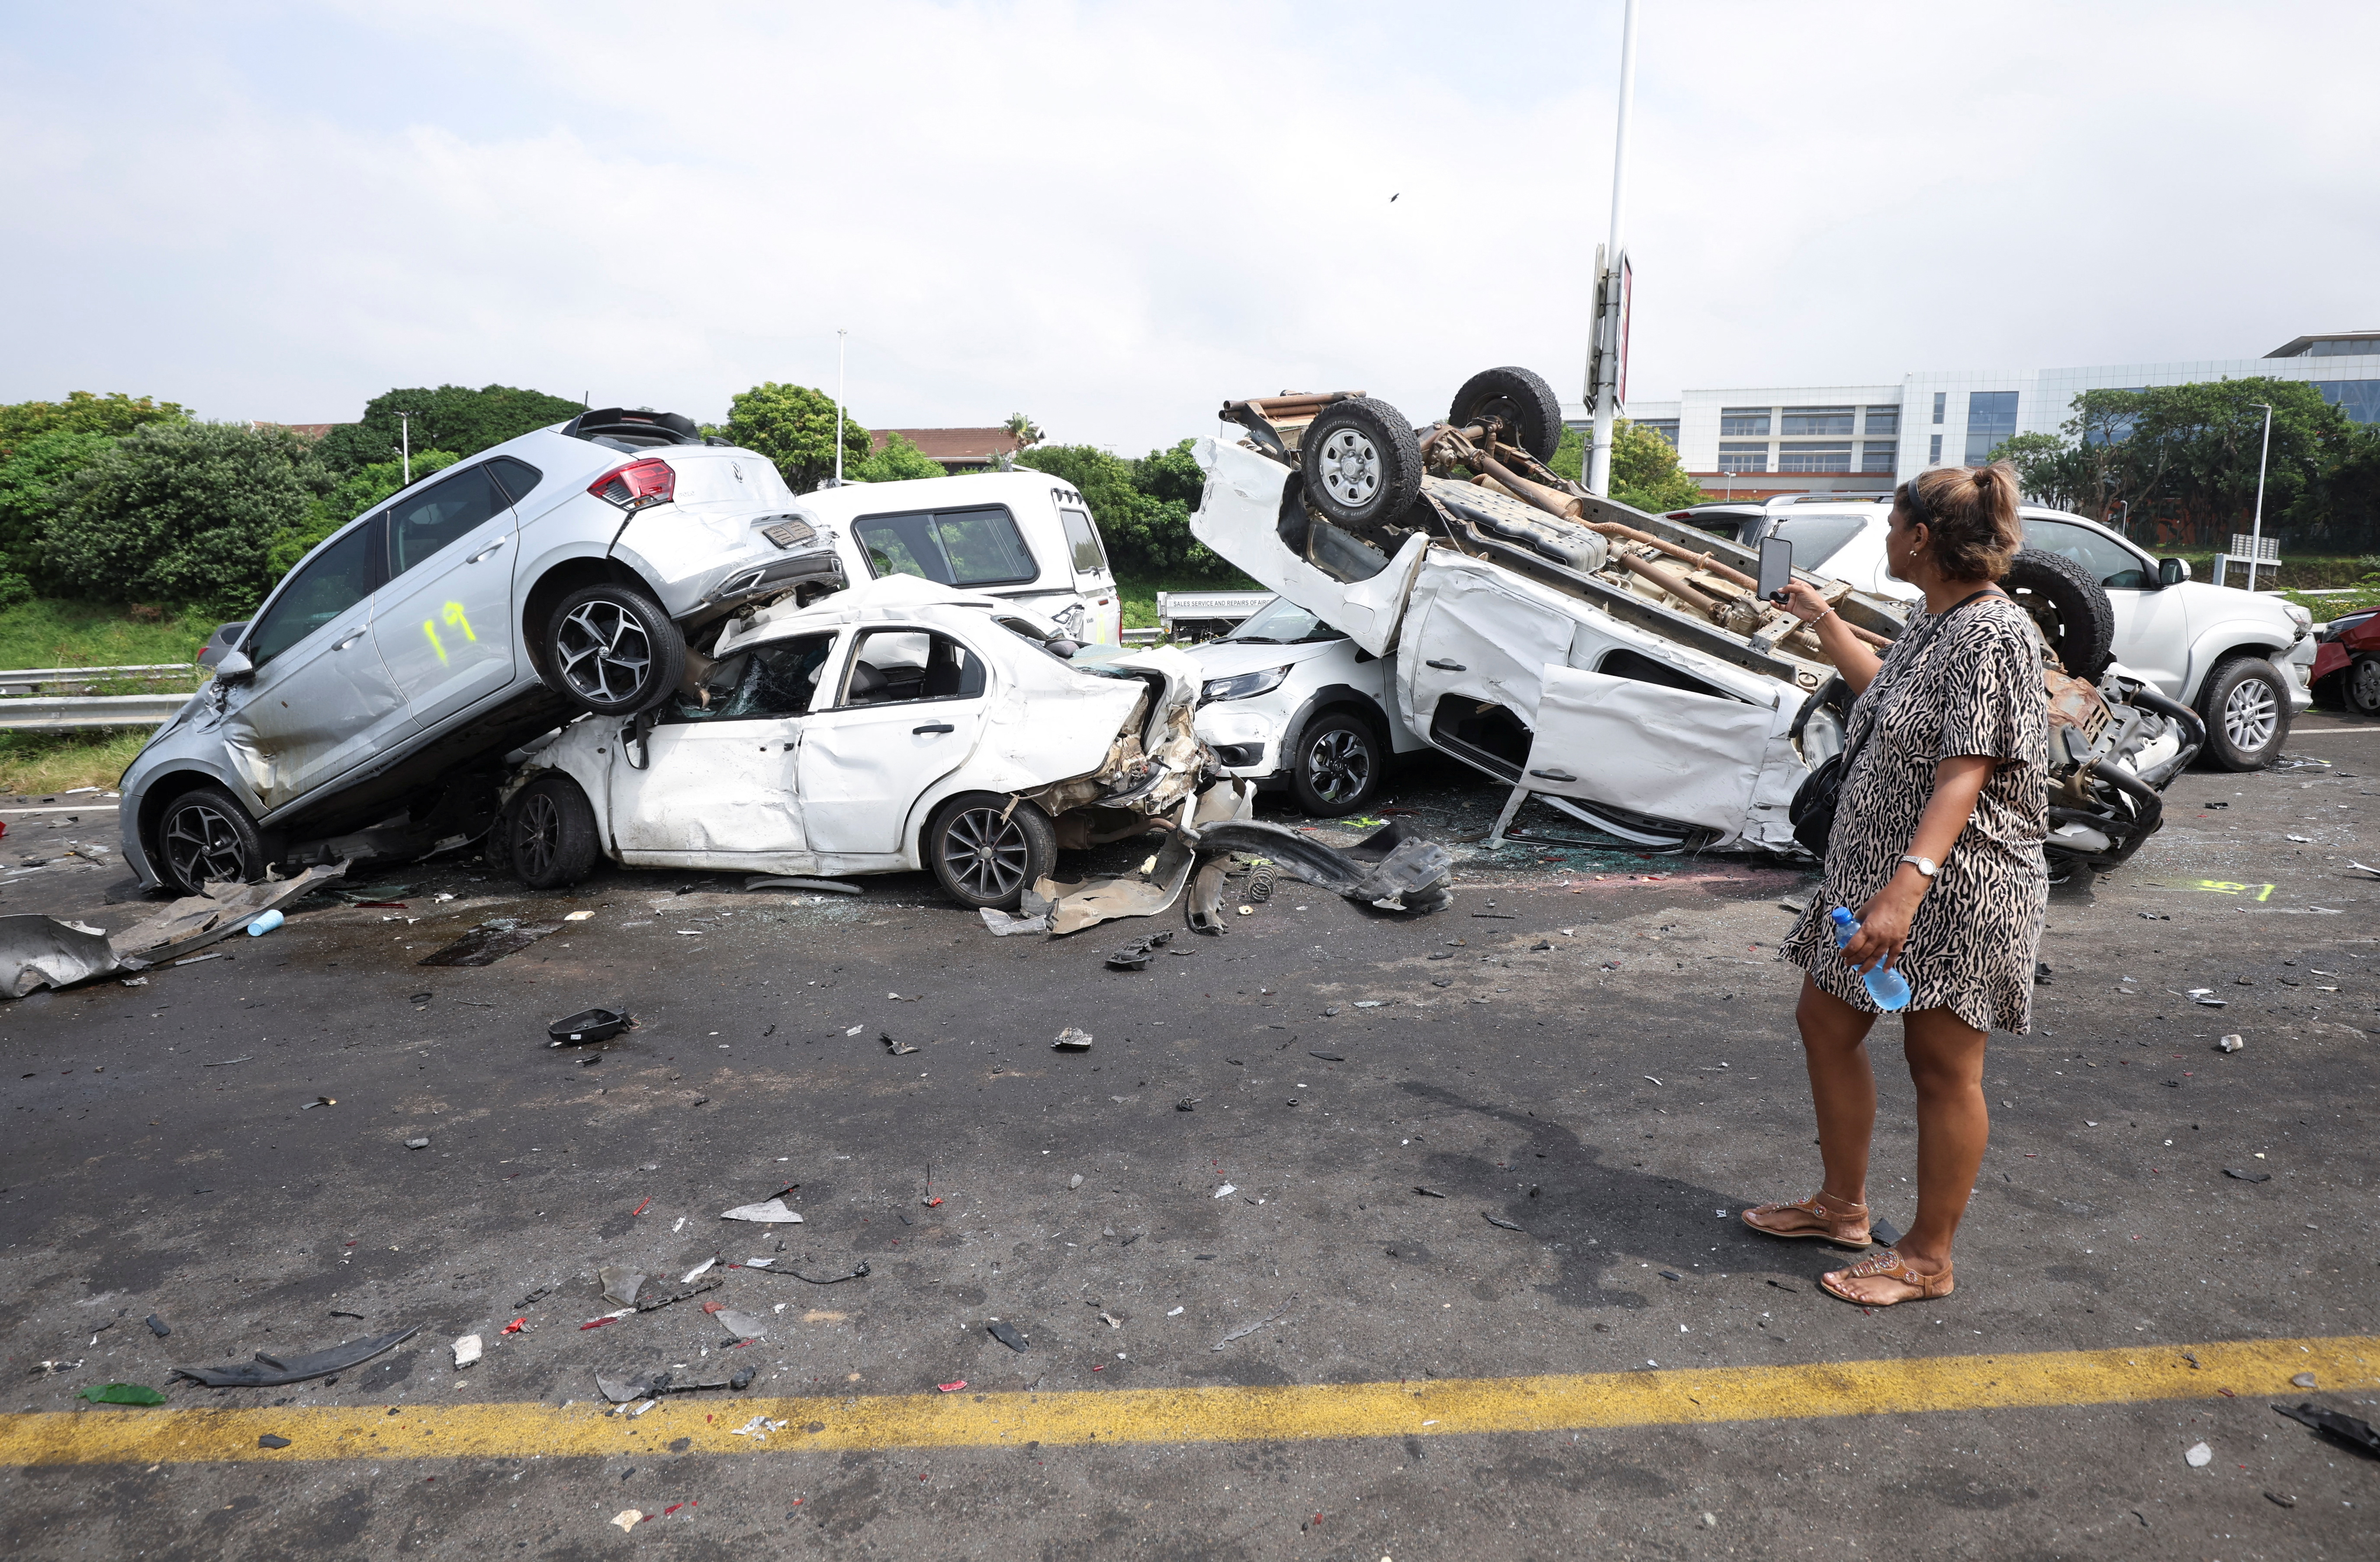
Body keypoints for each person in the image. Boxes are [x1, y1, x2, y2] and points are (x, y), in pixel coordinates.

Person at [1741, 462, 2049, 1306]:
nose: (1883, 535)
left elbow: (1964, 772)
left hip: (1957, 888)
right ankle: (1840, 1206)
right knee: (1823, 1018)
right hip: (1878, 877)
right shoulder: (1934, 617)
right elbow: (1883, 692)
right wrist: (1819, 618)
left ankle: (1925, 1256)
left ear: (1921, 538)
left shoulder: (1993, 633)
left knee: (1940, 1064)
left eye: (1890, 523)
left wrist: (1904, 889)